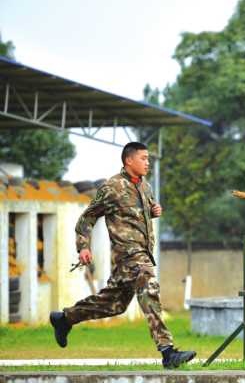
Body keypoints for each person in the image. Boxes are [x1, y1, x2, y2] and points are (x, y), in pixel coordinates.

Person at [49, 142, 195, 368]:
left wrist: (154, 212)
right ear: (129, 160)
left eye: (148, 159)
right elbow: (86, 218)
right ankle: (168, 352)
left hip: (140, 255)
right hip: (130, 256)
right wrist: (83, 247)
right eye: (144, 158)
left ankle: (65, 319)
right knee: (150, 289)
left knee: (113, 305)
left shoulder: (145, 186)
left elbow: (138, 216)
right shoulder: (111, 187)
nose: (148, 163)